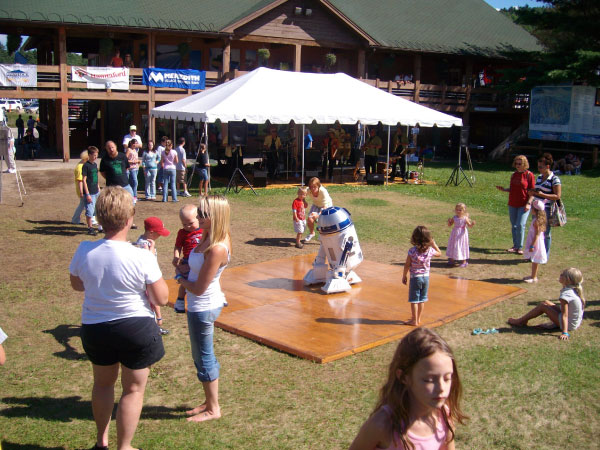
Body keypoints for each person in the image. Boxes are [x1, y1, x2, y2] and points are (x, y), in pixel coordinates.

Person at [69, 186, 169, 450]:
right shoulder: (141, 255)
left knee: (102, 384)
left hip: (95, 328)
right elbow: (162, 298)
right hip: (135, 327)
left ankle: (101, 441)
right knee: (133, 389)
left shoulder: (83, 250)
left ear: (100, 219)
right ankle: (124, 446)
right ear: (129, 220)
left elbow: (77, 285)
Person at [349, 327, 467, 450]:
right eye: (429, 380)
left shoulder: (444, 417)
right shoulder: (382, 425)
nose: (442, 388)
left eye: (447, 378)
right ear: (404, 377)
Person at [176, 195, 231, 423]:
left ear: (214, 216)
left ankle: (213, 409)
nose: (197, 217)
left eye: (202, 213)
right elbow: (201, 269)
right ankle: (209, 401)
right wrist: (187, 265)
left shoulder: (218, 246)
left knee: (203, 357)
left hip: (203, 306)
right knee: (201, 355)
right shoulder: (209, 236)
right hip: (202, 304)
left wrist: (180, 278)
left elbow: (198, 288)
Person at [508, 268, 585, 340]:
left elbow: (565, 315)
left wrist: (565, 333)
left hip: (569, 325)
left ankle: (520, 321)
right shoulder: (573, 289)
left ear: (568, 280)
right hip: (573, 322)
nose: (560, 275)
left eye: (562, 275)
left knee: (543, 306)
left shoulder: (567, 294)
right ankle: (523, 321)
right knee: (546, 302)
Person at [134, 216, 171, 336]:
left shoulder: (143, 240)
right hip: (147, 279)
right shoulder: (146, 246)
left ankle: (155, 324)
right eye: (158, 233)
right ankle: (156, 324)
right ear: (151, 232)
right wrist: (152, 250)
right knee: (151, 300)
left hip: (147, 279)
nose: (160, 235)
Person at [495, 155, 535, 255]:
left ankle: (520, 247)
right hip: (512, 203)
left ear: (524, 164)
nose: (517, 165)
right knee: (514, 226)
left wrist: (529, 203)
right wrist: (504, 189)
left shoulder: (529, 175)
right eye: (516, 163)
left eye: (519, 163)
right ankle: (515, 246)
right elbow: (513, 189)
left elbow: (532, 192)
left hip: (524, 204)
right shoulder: (514, 175)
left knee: (521, 224)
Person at [402, 226, 441, 326]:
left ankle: (414, 320)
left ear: (414, 238)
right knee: (422, 299)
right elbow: (439, 253)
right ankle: (418, 318)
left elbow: (407, 264)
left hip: (415, 277)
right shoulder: (430, 251)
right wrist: (434, 244)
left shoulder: (412, 251)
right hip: (426, 277)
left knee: (414, 300)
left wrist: (404, 275)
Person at [527, 153, 561, 255]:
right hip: (536, 208)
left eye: (541, 167)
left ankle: (544, 254)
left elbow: (557, 196)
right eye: (538, 167)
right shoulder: (539, 177)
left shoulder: (554, 179)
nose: (539, 169)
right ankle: (535, 252)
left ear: (548, 166)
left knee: (545, 233)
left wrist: (543, 194)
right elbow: (536, 191)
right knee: (535, 230)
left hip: (546, 209)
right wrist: (532, 193)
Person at [99, 140, 137, 229]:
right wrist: (111, 178)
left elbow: (127, 168)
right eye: (109, 148)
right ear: (106, 149)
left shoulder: (122, 156)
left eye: (112, 147)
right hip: (112, 187)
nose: (111, 149)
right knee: (112, 205)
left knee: (131, 204)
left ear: (116, 147)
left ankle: (130, 222)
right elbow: (102, 172)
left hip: (125, 185)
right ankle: (112, 223)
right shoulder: (105, 159)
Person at [173, 204, 204, 313]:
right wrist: (176, 256)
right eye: (184, 224)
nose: (188, 226)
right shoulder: (182, 233)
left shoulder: (204, 230)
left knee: (209, 278)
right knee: (186, 282)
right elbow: (177, 246)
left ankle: (217, 296)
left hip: (202, 259)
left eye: (190, 223)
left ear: (199, 218)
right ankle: (180, 301)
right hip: (188, 261)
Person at [523, 199, 547, 283]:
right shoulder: (538, 220)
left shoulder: (537, 222)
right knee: (534, 260)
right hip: (536, 241)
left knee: (535, 260)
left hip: (536, 243)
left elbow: (537, 235)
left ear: (535, 210)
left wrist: (532, 245)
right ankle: (533, 275)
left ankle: (534, 277)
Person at [446, 203, 475, 268]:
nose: (458, 211)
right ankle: (451, 260)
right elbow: (450, 225)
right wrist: (449, 222)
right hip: (455, 233)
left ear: (463, 211)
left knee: (461, 246)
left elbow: (469, 226)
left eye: (460, 210)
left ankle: (464, 261)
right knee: (453, 245)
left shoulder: (465, 218)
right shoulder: (454, 217)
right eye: (457, 210)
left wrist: (472, 224)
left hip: (462, 234)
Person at [304, 177, 332, 243]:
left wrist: (318, 214)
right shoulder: (308, 190)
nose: (312, 189)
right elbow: (302, 193)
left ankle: (324, 237)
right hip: (316, 205)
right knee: (310, 219)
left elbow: (325, 207)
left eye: (314, 187)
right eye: (311, 187)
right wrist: (303, 201)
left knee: (323, 222)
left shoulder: (323, 191)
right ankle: (311, 233)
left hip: (326, 205)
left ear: (318, 186)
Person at [82, 146, 101, 236]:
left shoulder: (95, 165)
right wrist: (87, 194)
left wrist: (98, 187)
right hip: (90, 193)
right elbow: (84, 180)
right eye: (94, 155)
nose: (95, 157)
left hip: (96, 191)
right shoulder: (86, 166)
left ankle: (100, 227)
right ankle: (90, 228)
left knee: (97, 210)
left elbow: (96, 177)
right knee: (90, 211)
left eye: (96, 155)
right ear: (89, 155)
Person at [71, 150, 89, 225]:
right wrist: (81, 191)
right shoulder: (80, 167)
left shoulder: (82, 165)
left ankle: (75, 219)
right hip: (82, 189)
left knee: (82, 205)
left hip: (84, 189)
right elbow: (80, 180)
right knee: (83, 204)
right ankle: (75, 219)